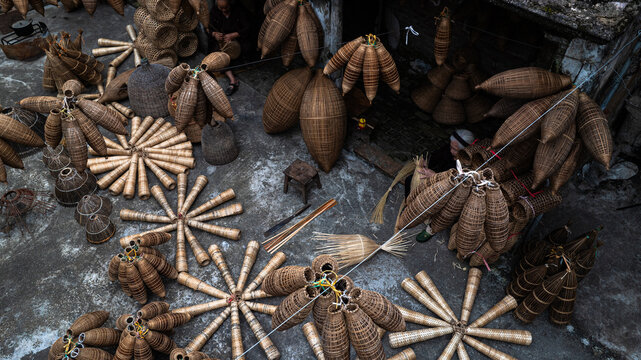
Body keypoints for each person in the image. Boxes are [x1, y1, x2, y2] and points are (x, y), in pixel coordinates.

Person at [405, 129, 475, 242]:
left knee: (446, 210)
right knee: (410, 180)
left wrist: (434, 175)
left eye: (455, 150)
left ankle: (430, 229)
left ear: (465, 150)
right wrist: (425, 163)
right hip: (435, 180)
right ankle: (410, 206)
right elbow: (434, 159)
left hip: (451, 191)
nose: (451, 151)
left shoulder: (468, 165)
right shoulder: (448, 149)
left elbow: (458, 184)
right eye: (451, 147)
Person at [209, 0, 252, 95]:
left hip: (239, 38)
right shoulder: (215, 11)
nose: (224, 10)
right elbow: (209, 27)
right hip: (223, 41)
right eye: (221, 8)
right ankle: (233, 80)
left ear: (230, 4)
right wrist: (214, 34)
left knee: (246, 49)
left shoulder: (239, 10)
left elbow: (249, 27)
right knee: (219, 55)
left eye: (226, 7)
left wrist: (235, 35)